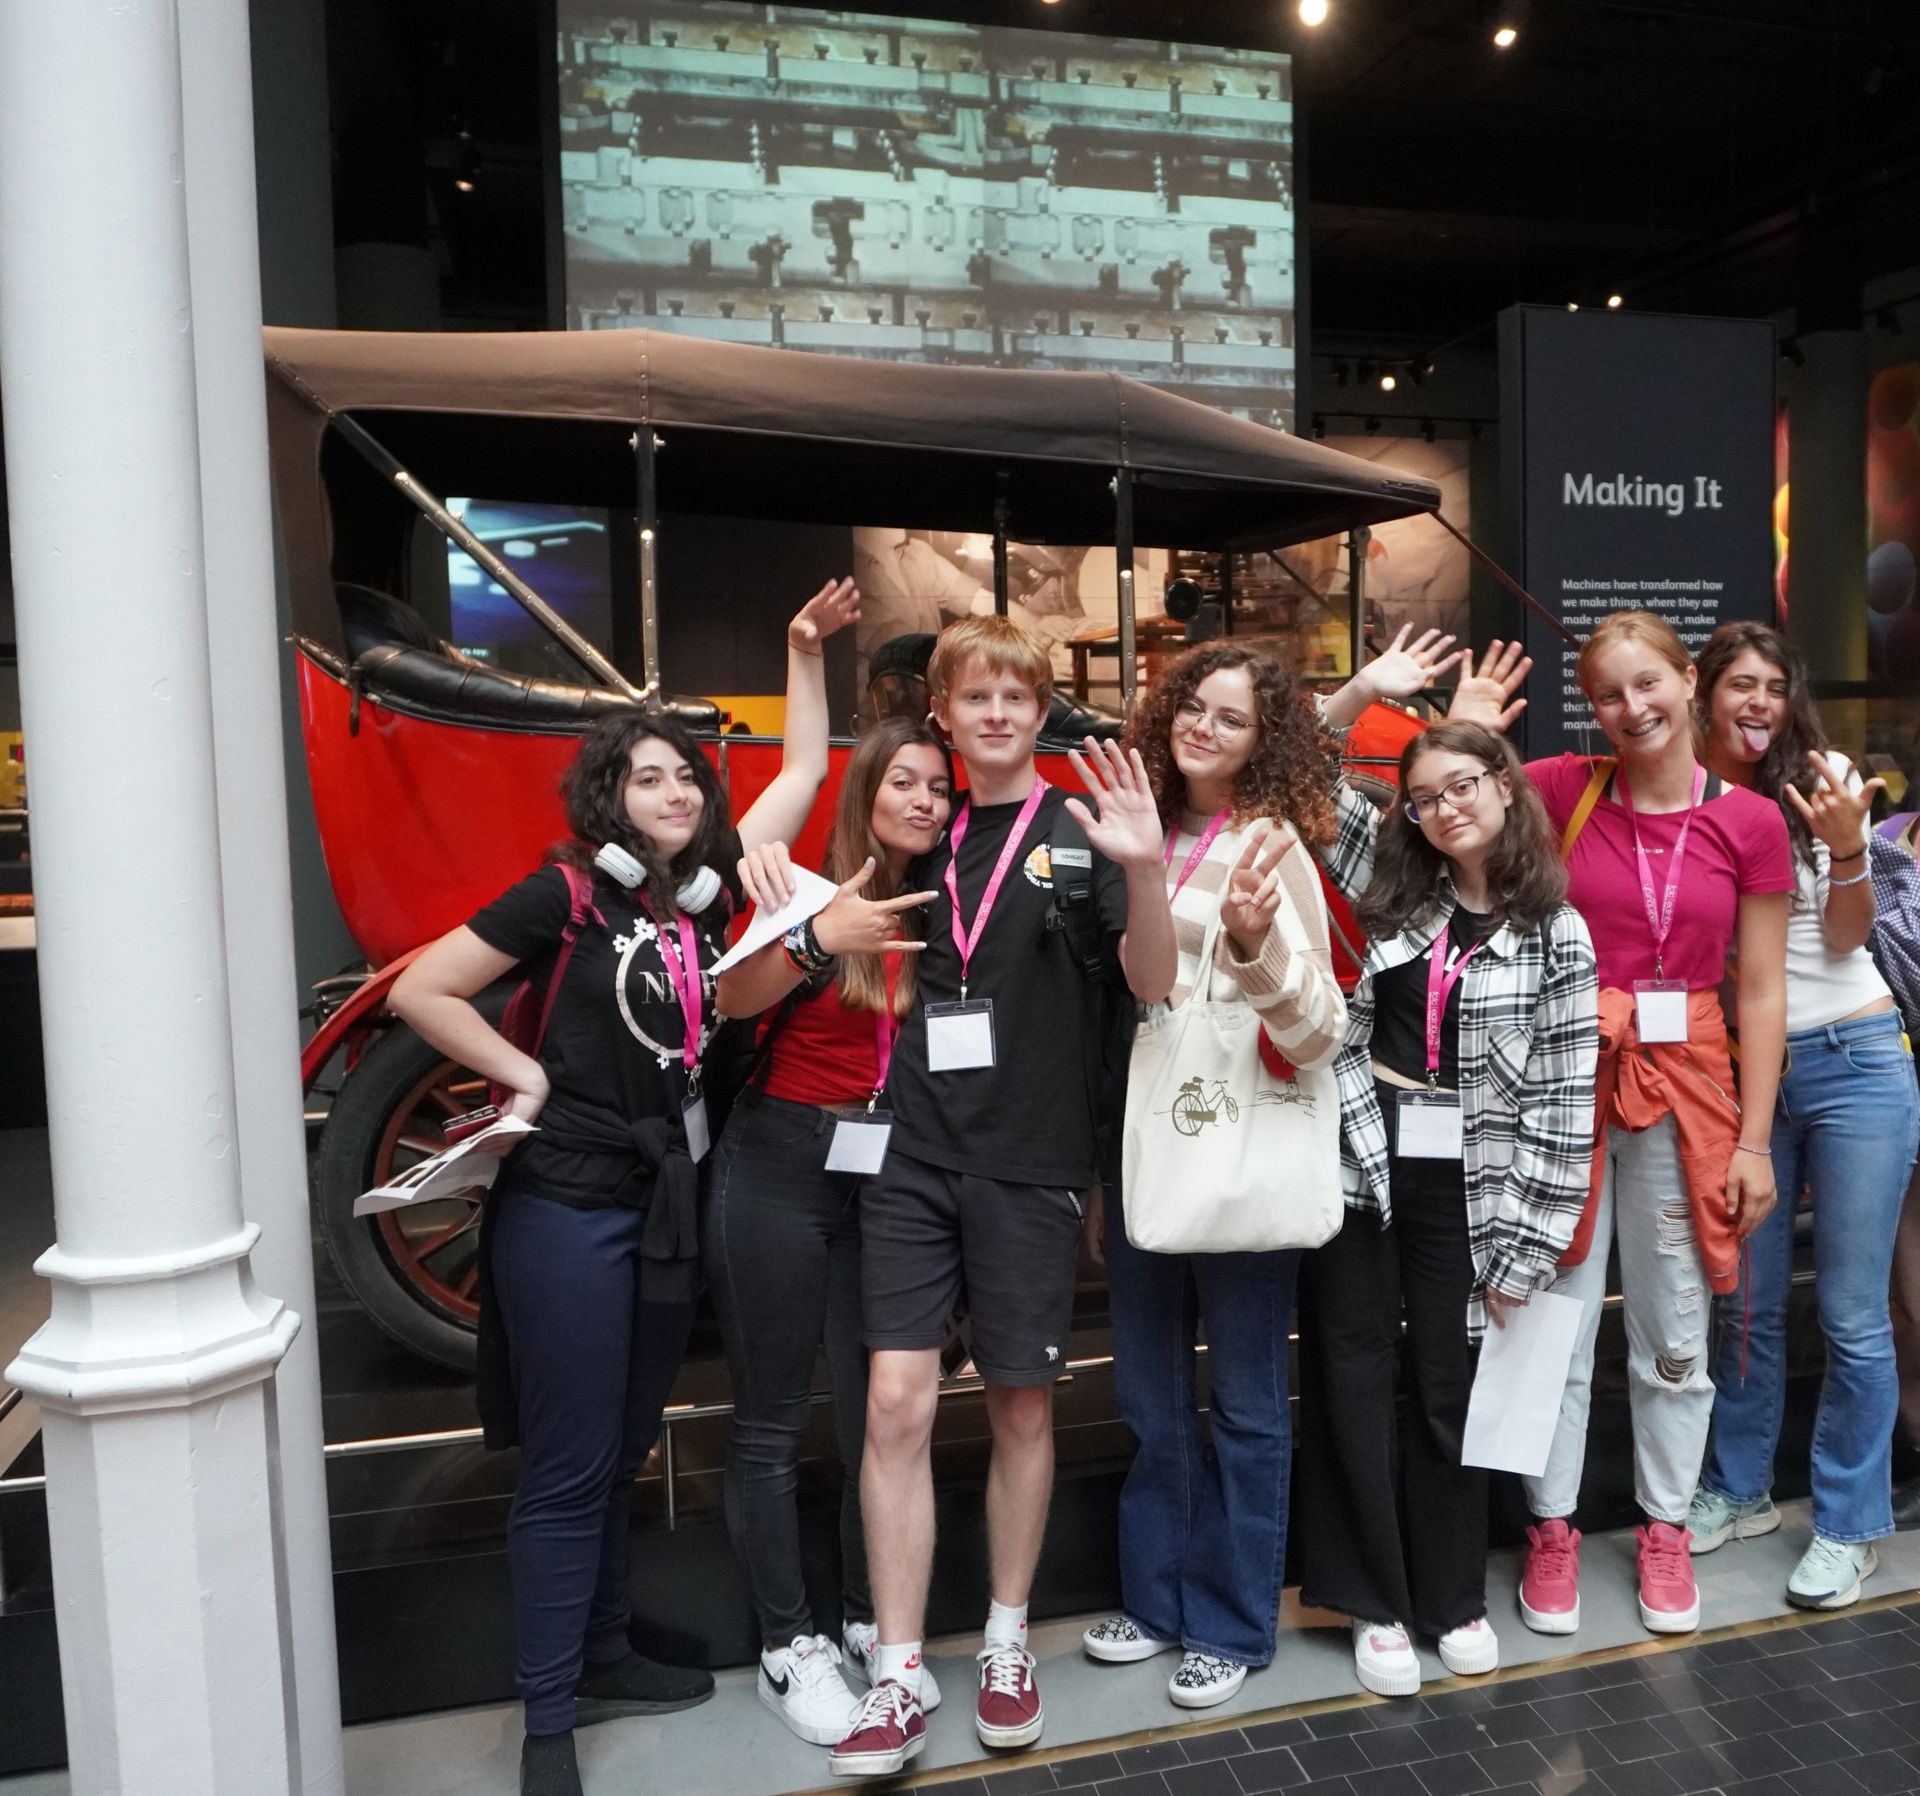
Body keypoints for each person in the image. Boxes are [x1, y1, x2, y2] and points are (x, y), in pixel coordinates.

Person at [390, 580, 860, 1796]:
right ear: (609, 796)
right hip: (568, 1205)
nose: (676, 791)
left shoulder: (705, 903)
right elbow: (422, 989)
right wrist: (524, 1077)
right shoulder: (564, 894)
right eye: (649, 776)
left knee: (621, 1446)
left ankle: (602, 1651)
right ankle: (548, 1719)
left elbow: (806, 768)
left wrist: (802, 649)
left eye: (687, 776)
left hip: (666, 1209)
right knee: (566, 1463)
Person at [828, 614, 1174, 1778]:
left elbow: (1152, 982)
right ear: (942, 712)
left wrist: (1144, 865)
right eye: (974, 697)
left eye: (1015, 698)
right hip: (910, 1151)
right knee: (895, 1404)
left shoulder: (1084, 828)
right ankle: (897, 1670)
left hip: (1033, 1157)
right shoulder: (914, 826)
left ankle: (1008, 1639)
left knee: (1022, 1405)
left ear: (1038, 712)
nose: (995, 714)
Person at [1448, 613, 1790, 1638]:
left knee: (1675, 1322)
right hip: (1565, 1079)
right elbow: (1439, 810)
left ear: (1689, 681)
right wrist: (1468, 732)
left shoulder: (1750, 820)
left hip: (1691, 1087)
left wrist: (1757, 1142)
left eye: (1648, 684)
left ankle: (1666, 1524)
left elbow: (1761, 989)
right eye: (1608, 693)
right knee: (1547, 1310)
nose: (1632, 708)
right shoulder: (1562, 788)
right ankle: (1550, 1526)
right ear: (1589, 707)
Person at [1309, 657, 1598, 1696]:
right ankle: (1374, 1602)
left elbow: (1564, 1103)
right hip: (1363, 1153)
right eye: (1424, 797)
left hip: (1477, 1183)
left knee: (1449, 1381)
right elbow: (1302, 765)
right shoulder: (1396, 887)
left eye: (1462, 786)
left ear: (1505, 787)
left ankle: (1451, 1595)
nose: (1443, 809)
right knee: (1350, 1369)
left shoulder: (1557, 933)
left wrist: (1527, 1250)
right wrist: (1364, 689)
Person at [1077, 644, 1348, 1709]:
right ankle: (1157, 1603)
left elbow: (1319, 1030)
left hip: (1245, 1151)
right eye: (1194, 705)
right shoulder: (1135, 829)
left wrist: (1253, 945)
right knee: (1149, 1395)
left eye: (1233, 718)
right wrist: (1145, 867)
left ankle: (1231, 1624)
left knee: (1244, 1403)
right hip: (1151, 1142)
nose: (1205, 726)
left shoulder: (1274, 846)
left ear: (1262, 741)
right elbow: (1147, 984)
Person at [705, 719, 952, 1745]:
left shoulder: (952, 902)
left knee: (874, 1418)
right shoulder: (805, 885)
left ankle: (866, 1616)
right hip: (778, 1161)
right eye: (904, 781)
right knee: (769, 1419)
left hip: (888, 1173)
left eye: (939, 787)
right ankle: (785, 1647)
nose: (925, 801)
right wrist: (817, 937)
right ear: (867, 791)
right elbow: (729, 998)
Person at [1687, 621, 1920, 1607]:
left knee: (1854, 1314)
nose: (1759, 703)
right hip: (1747, 1074)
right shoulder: (1681, 794)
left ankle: (1849, 1523)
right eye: (1741, 683)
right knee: (1746, 1299)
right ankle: (1740, 1486)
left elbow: (1847, 933)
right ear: (1704, 693)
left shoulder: (1821, 780)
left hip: (1854, 1057)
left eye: (1774, 686)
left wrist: (1848, 848)